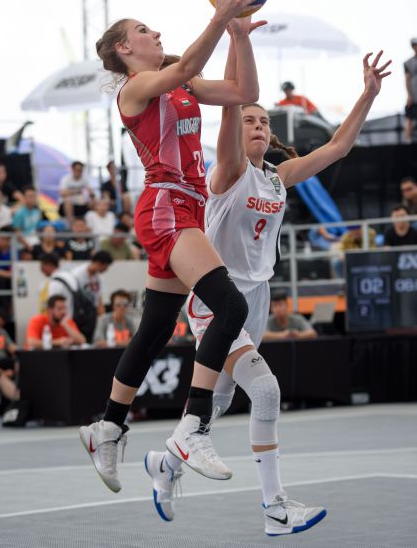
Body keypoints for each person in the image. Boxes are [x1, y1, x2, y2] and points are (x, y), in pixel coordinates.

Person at [146, 35, 391, 535]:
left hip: (256, 299)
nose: (257, 126)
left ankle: (165, 464)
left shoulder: (277, 177)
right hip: (218, 299)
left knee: (216, 403)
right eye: (249, 120)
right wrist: (238, 35)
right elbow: (232, 101)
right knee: (266, 390)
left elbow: (338, 147)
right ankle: (274, 508)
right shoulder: (227, 171)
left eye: (263, 121)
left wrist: (367, 94)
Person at [79, 0, 266, 493]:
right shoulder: (135, 88)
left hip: (186, 208)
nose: (155, 33)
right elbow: (184, 66)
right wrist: (221, 16)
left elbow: (244, 92)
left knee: (157, 327)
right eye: (143, 30)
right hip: (166, 206)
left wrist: (240, 37)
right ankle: (193, 428)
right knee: (230, 307)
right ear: (124, 49)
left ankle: (107, 426)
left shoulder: (181, 83)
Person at [48, 250, 113, 318]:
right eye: (106, 266)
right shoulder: (77, 274)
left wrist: (102, 318)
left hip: (90, 310)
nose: (106, 269)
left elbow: (99, 299)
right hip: (78, 310)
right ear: (99, 263)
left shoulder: (98, 277)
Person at [0, 309, 19, 403]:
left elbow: (10, 346)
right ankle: (18, 399)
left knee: (18, 363)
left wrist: (18, 350)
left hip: (3, 361)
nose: (2, 322)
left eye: (3, 320)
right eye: (0, 319)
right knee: (1, 377)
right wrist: (3, 373)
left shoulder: (2, 331)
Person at [403, 37, 417, 143]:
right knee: (410, 117)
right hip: (414, 95)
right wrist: (409, 95)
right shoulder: (408, 63)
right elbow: (407, 79)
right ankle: (408, 141)